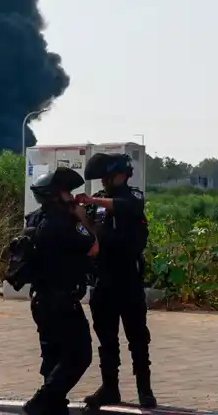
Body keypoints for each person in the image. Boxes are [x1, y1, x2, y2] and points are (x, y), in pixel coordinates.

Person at [78, 152, 155, 409]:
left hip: (128, 279)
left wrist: (93, 200)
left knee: (137, 338)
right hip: (104, 278)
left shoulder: (133, 196)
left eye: (111, 176)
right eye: (104, 178)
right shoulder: (98, 203)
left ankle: (145, 390)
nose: (107, 181)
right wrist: (80, 215)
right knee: (107, 339)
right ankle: (110, 388)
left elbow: (126, 207)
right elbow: (91, 233)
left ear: (124, 174)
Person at [24, 167, 98, 415]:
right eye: (67, 191)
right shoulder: (66, 223)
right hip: (62, 302)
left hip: (40, 300)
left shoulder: (34, 219)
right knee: (80, 355)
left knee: (53, 356)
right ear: (55, 195)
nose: (72, 196)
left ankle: (54, 406)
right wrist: (82, 217)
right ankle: (43, 400)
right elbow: (93, 246)